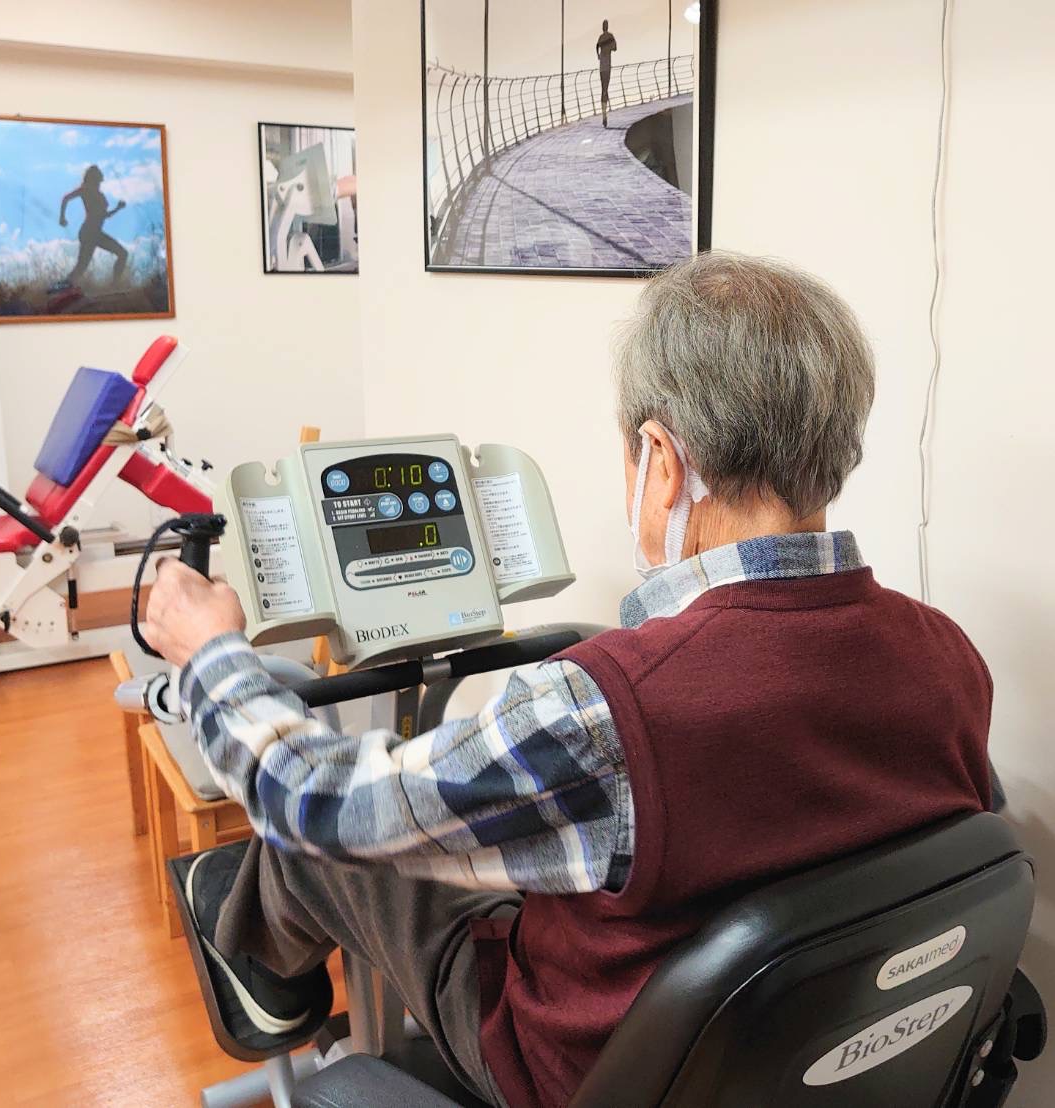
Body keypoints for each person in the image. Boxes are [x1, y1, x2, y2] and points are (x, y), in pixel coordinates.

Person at [141, 252, 999, 1108]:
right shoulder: (946, 657)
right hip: (789, 1060)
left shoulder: (604, 708)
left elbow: (315, 803)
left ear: (662, 460)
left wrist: (212, 654)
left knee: (320, 839)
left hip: (579, 1073)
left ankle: (258, 964)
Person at [58, 164, 128, 287]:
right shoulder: (85, 189)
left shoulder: (100, 196)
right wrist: (62, 217)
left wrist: (117, 208)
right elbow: (65, 198)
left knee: (122, 254)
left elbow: (104, 215)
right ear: (93, 178)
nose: (99, 182)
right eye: (98, 179)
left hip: (96, 234)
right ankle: (60, 288)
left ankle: (115, 285)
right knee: (81, 267)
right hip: (88, 233)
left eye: (100, 179)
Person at [596, 19, 618, 126]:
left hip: (602, 67)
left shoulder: (601, 37)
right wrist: (609, 47)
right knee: (605, 89)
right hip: (607, 66)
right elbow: (615, 48)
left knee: (603, 89)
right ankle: (605, 115)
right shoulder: (610, 36)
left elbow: (597, 46)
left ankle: (604, 114)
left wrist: (599, 55)